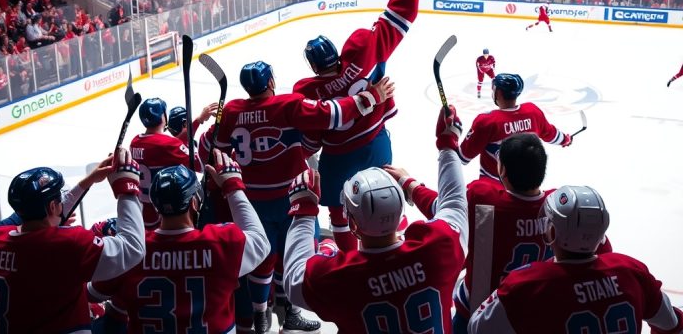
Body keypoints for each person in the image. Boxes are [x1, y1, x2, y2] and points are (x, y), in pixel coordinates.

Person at [199, 61, 393, 334]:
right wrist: (371, 96)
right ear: (270, 83)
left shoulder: (232, 111)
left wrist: (215, 127)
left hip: (253, 202)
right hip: (292, 198)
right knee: (293, 255)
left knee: (262, 258)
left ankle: (260, 316)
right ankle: (289, 313)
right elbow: (333, 114)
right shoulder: (287, 105)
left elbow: (206, 151)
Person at [292, 0, 427, 251]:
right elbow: (402, 12)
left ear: (314, 67)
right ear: (337, 55)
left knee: (338, 213)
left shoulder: (307, 92)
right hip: (376, 143)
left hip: (337, 158)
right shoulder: (364, 51)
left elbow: (310, 140)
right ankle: (392, 239)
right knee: (385, 193)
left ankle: (349, 256)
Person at [283, 104, 468, 333]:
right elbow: (454, 204)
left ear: (353, 224)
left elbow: (294, 282)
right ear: (401, 213)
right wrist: (446, 147)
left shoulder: (338, 277)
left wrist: (303, 211)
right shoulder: (438, 246)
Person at [88, 150, 271, 334]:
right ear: (194, 203)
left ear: (156, 206)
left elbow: (90, 293)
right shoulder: (220, 242)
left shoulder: (130, 252)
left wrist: (124, 193)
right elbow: (261, 242)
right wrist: (233, 186)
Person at [0, 150, 145, 332]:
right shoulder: (68, 244)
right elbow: (132, 248)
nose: (62, 201)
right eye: (59, 197)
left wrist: (88, 181)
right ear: (52, 207)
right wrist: (126, 187)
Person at [468, 185, 683, 334]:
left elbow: (477, 328)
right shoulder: (631, 271)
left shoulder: (526, 286)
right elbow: (672, 324)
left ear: (552, 232)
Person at [457, 73, 572, 181]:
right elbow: (550, 133)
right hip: (526, 184)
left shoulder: (486, 122)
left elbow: (463, 157)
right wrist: (565, 139)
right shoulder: (533, 112)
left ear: (498, 93)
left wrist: (452, 134)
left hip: (493, 184)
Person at [130, 97, 213, 230]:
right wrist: (201, 140)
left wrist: (198, 121)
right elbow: (199, 165)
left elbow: (167, 145)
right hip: (165, 213)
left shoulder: (135, 142)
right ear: (163, 117)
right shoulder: (168, 145)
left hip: (142, 214)